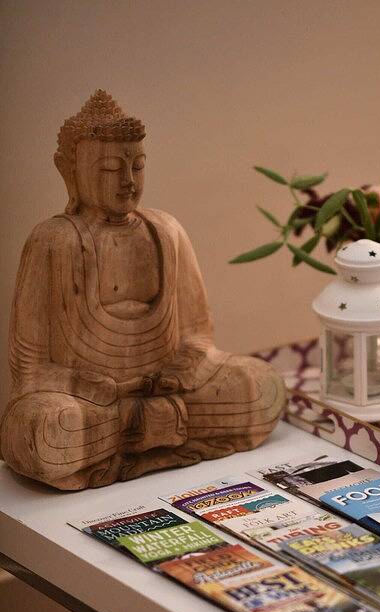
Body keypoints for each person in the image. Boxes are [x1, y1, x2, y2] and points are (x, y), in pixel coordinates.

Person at [0, 91, 285, 490]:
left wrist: (185, 367)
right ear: (69, 171)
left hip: (166, 392)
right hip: (92, 405)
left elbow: (198, 333)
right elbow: (29, 369)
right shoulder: (53, 241)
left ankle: (144, 436)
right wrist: (87, 387)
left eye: (137, 166)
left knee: (261, 388)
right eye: (110, 169)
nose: (128, 181)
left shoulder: (166, 230)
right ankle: (156, 432)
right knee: (46, 431)